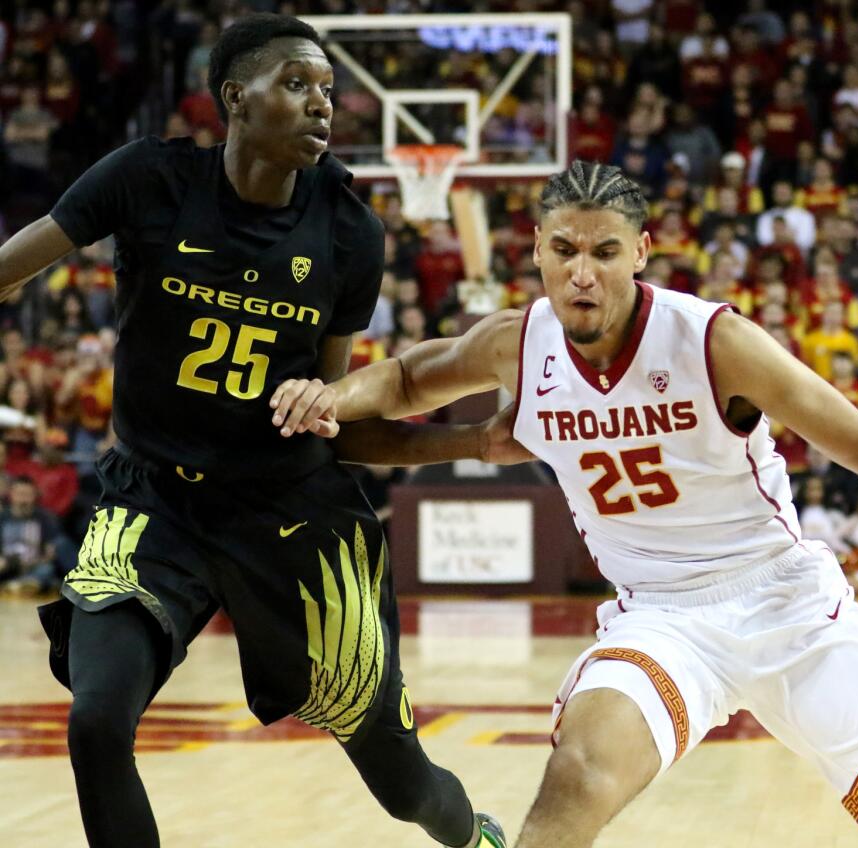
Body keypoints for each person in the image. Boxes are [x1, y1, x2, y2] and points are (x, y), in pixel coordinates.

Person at [273, 161, 858, 848]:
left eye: (605, 252)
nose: (584, 273)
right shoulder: (520, 342)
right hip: (660, 617)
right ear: (537, 250)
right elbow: (408, 380)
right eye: (565, 251)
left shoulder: (713, 341)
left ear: (640, 253)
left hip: (789, 603)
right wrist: (331, 394)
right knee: (576, 775)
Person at [0, 15, 509, 848]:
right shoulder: (149, 179)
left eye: (329, 91)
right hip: (155, 505)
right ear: (236, 98)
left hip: (292, 516)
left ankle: (476, 838)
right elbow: (11, 267)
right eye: (298, 85)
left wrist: (472, 441)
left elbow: (336, 416)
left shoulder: (349, 230)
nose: (322, 106)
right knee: (96, 721)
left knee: (400, 777)